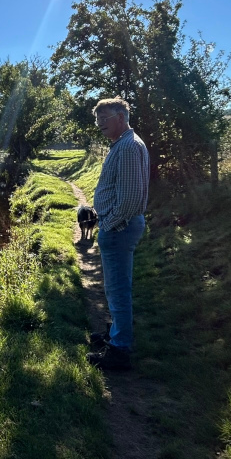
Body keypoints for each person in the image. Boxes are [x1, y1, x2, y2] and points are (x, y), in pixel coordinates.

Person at [88, 97, 149, 371]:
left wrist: (109, 223)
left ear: (122, 116)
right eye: (97, 118)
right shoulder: (125, 144)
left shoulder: (126, 148)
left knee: (118, 289)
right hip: (119, 227)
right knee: (116, 287)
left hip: (119, 229)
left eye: (105, 117)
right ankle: (115, 333)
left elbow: (130, 198)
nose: (100, 123)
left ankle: (119, 349)